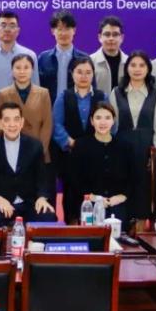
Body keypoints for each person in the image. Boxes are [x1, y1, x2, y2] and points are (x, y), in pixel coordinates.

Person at [0, 103, 57, 227]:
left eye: (16, 119)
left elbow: (42, 178)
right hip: (3, 202)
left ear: (22, 122)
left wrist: (42, 197)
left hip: (29, 202)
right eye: (7, 120)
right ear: (0, 123)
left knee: (48, 216)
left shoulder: (35, 146)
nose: (12, 124)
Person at [52, 55, 107, 223]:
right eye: (79, 72)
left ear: (93, 74)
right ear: (72, 73)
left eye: (88, 72)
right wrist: (70, 142)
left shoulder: (101, 96)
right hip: (70, 153)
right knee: (71, 192)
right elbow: (56, 124)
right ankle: (72, 224)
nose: (84, 76)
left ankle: (96, 226)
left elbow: (110, 122)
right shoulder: (64, 96)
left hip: (96, 153)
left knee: (96, 189)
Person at [109, 51, 156, 223]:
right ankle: (123, 226)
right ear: (127, 68)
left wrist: (155, 153)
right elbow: (112, 125)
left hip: (146, 148)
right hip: (122, 147)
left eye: (142, 65)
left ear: (148, 69)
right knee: (123, 184)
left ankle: (141, 227)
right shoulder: (116, 92)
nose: (137, 69)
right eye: (133, 65)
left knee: (144, 188)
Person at [71, 102, 134, 227]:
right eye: (98, 118)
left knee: (120, 220)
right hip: (90, 203)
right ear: (91, 121)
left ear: (113, 121)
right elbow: (75, 179)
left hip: (117, 203)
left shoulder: (125, 146)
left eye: (107, 118)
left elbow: (133, 178)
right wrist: (92, 197)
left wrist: (122, 196)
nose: (103, 122)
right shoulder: (81, 145)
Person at [0, 54, 52, 165]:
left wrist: (40, 149)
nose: (22, 71)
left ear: (32, 70)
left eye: (26, 67)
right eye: (18, 68)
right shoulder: (3, 94)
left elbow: (47, 124)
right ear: (12, 70)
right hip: (11, 149)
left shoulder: (43, 93)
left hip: (37, 149)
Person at [0, 10, 38, 90]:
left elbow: (36, 89)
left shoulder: (30, 55)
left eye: (12, 26)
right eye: (3, 25)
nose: (7, 29)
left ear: (18, 31)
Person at [37, 11, 87, 98]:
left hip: (75, 105)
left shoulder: (84, 59)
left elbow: (91, 89)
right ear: (53, 31)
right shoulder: (43, 58)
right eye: (59, 29)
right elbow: (37, 87)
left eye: (67, 29)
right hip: (49, 105)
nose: (63, 33)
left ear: (74, 30)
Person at [91, 15, 128, 95]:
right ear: (100, 37)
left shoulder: (129, 63)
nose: (111, 38)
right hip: (98, 103)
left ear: (121, 38)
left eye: (115, 34)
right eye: (107, 34)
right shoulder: (90, 62)